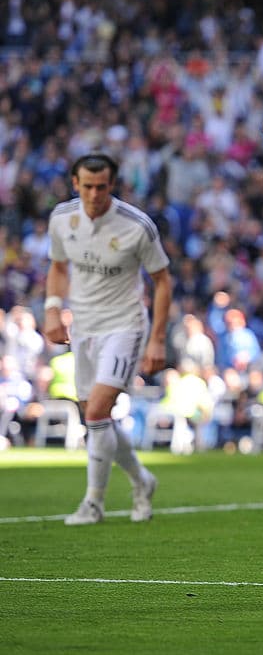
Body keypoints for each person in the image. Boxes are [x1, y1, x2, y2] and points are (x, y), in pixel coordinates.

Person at [44, 153, 171, 525]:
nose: (94, 194)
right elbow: (57, 266)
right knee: (94, 417)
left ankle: (93, 503)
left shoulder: (137, 226)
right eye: (87, 187)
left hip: (125, 325)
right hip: (83, 327)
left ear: (112, 186)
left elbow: (162, 281)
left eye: (102, 187)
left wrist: (157, 339)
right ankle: (141, 480)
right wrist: (52, 308)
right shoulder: (61, 218)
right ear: (75, 184)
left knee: (97, 411)